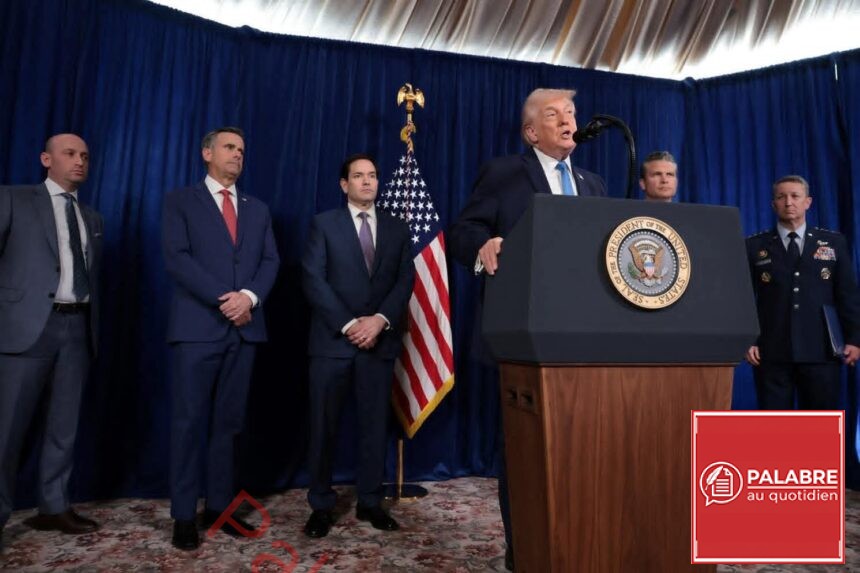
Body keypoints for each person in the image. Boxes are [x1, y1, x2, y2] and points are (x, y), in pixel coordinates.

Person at [448, 88, 606, 570]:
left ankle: (582, 545)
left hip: (589, 338)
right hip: (525, 335)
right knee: (526, 452)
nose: (567, 120)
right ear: (531, 132)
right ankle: (526, 552)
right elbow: (463, 231)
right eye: (554, 114)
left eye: (571, 113)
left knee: (585, 450)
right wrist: (484, 246)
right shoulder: (504, 173)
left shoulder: (594, 184)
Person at [162, 127, 280, 550]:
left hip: (244, 330)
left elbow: (270, 260)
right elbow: (177, 258)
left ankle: (218, 508)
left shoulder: (258, 209)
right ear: (207, 153)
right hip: (197, 330)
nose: (237, 155)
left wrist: (249, 297)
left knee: (229, 426)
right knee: (188, 423)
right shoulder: (180, 201)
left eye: (242, 150)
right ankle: (183, 515)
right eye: (229, 147)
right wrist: (224, 300)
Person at [301, 154, 414, 539]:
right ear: (344, 184)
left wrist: (379, 320)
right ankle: (320, 505)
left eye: (372, 176)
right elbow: (313, 279)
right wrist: (350, 325)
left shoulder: (398, 227)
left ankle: (370, 501)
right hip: (332, 344)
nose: (367, 182)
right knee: (323, 428)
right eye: (358, 176)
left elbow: (405, 281)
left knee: (374, 427)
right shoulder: (324, 224)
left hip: (379, 343)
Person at [0, 134, 102, 550]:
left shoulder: (91, 216)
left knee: (64, 426)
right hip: (25, 330)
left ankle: (53, 506)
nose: (79, 161)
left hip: (77, 328)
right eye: (70, 154)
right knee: (7, 431)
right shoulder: (12, 199)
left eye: (85, 156)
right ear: (46, 158)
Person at [745, 175, 860, 410]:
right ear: (773, 204)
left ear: (808, 202)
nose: (788, 202)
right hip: (772, 350)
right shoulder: (755, 246)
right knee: (775, 424)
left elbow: (847, 295)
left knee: (821, 422)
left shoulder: (833, 243)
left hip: (821, 349)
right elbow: (745, 299)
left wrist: (854, 339)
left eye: (795, 196)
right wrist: (749, 340)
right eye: (781, 197)